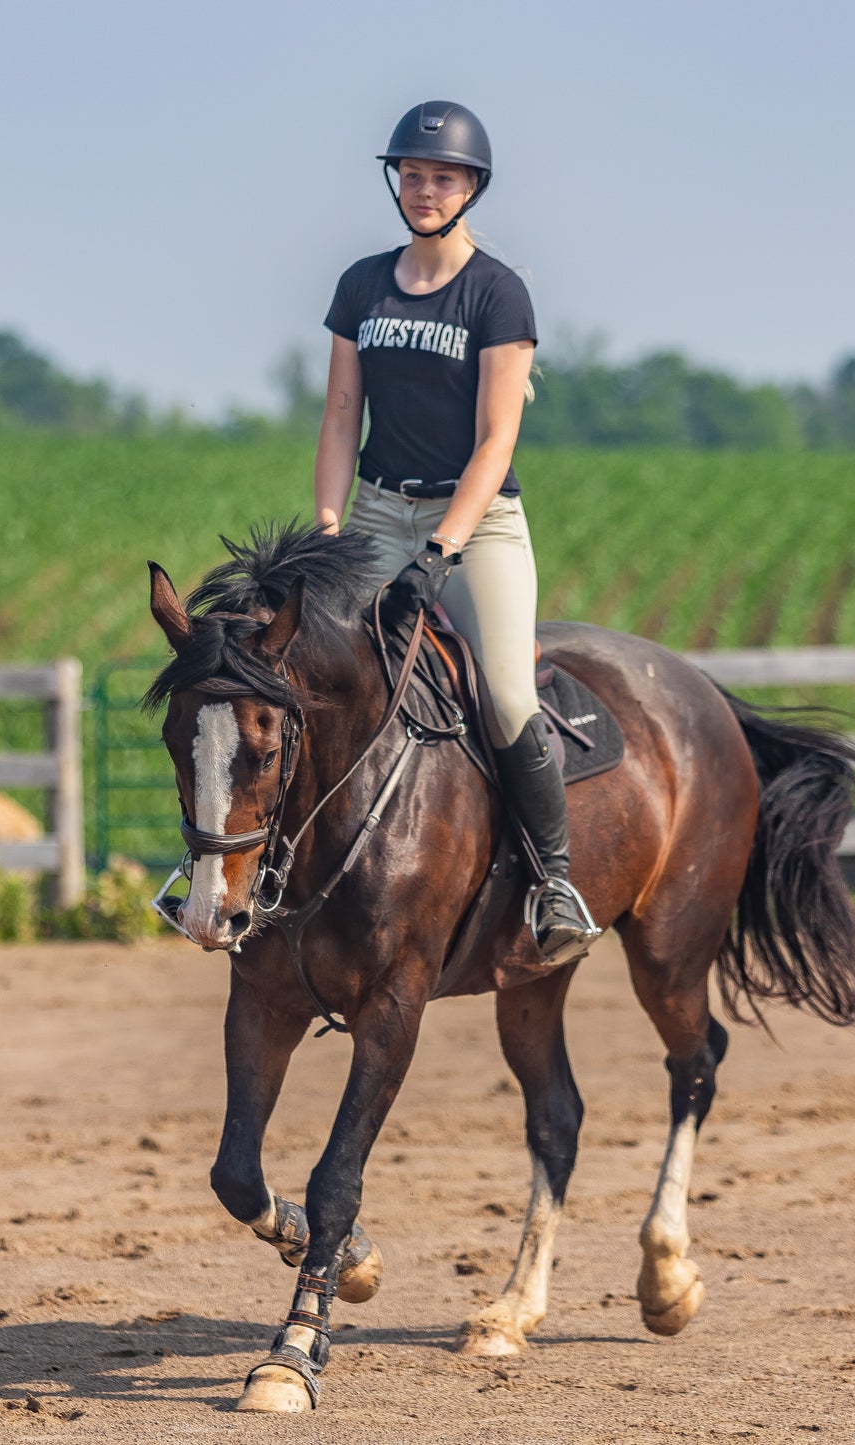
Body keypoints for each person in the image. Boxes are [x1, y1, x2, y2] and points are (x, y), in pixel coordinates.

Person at [314, 99, 600, 968]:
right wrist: (329, 527)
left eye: (441, 177)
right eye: (411, 173)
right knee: (305, 671)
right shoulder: (360, 283)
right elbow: (338, 414)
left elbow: (495, 440)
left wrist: (439, 553)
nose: (424, 189)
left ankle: (554, 881)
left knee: (507, 695)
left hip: (475, 528)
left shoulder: (497, 291)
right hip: (371, 512)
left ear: (472, 186)